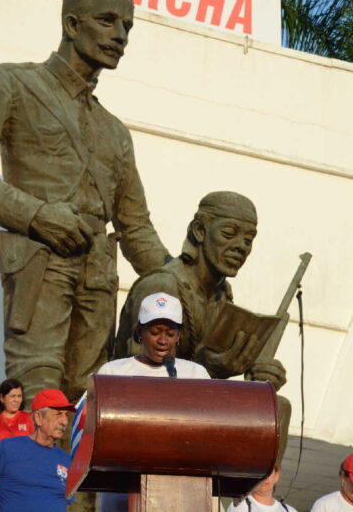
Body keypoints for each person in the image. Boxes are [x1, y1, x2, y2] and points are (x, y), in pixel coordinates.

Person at [0, 0, 170, 407]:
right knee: (41, 395)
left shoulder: (116, 132)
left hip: (98, 278)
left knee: (86, 403)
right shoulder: (11, 85)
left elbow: (136, 229)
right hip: (39, 265)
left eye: (127, 26)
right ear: (71, 24)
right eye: (107, 21)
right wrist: (35, 214)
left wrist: (181, 279)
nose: (120, 36)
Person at [114, 191, 290, 464]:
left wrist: (258, 377)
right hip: (140, 417)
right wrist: (211, 370)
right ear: (199, 231)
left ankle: (256, 497)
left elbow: (211, 376)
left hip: (193, 412)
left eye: (248, 240)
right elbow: (142, 383)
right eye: (229, 233)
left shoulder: (222, 296)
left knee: (277, 407)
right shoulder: (162, 288)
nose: (240, 246)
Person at [71, 291, 210, 511]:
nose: (163, 340)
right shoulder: (113, 372)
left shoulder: (195, 374)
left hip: (180, 494)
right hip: (120, 492)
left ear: (179, 335)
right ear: (139, 332)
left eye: (170, 333)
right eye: (155, 332)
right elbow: (84, 423)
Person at [0, 388, 76, 512]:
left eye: (66, 415)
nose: (64, 421)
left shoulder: (67, 460)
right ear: (39, 418)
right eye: (58, 414)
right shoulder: (7, 448)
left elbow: (65, 505)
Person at [0, 378, 33, 458]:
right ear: (2, 398)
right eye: (12, 396)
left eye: (19, 396)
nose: (16, 400)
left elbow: (36, 449)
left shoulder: (29, 419)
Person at [227, 468, 297, 512]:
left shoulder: (290, 510)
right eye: (261, 471)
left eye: (269, 472)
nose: (265, 477)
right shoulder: (240, 506)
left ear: (276, 476)